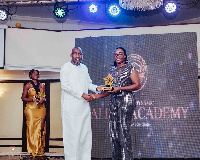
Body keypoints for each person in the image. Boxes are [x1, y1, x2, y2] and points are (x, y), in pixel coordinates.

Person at [91, 47, 141, 160]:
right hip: (114, 102)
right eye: (115, 54)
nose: (117, 56)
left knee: (124, 130)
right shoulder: (111, 71)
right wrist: (94, 96)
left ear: (124, 56)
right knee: (113, 132)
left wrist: (120, 88)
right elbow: (108, 90)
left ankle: (127, 158)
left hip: (126, 100)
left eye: (120, 54)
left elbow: (137, 85)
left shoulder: (130, 68)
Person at [60, 47, 100, 160]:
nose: (78, 56)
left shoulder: (84, 68)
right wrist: (82, 95)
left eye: (80, 54)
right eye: (75, 54)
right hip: (71, 109)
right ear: (71, 55)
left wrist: (98, 88)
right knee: (73, 137)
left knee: (84, 136)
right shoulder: (66, 67)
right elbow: (65, 85)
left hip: (83, 108)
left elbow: (88, 84)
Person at [21, 69, 46, 157]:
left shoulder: (42, 85)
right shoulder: (28, 85)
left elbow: (44, 96)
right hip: (31, 109)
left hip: (41, 108)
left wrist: (43, 99)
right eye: (34, 73)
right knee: (32, 128)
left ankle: (39, 149)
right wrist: (32, 99)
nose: (36, 75)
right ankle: (32, 150)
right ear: (30, 75)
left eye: (37, 73)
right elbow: (23, 98)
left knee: (41, 128)